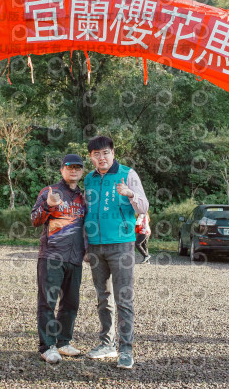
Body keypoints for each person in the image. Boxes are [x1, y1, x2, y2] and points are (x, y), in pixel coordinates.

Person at [84, 136, 149, 370]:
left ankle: (126, 350)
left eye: (105, 153)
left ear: (113, 153)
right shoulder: (89, 179)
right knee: (103, 297)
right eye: (96, 154)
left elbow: (143, 207)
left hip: (121, 244)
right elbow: (86, 212)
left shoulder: (128, 174)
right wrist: (85, 245)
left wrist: (130, 194)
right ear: (91, 157)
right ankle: (106, 344)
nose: (101, 158)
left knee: (124, 298)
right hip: (95, 246)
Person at [30, 154, 87, 364]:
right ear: (62, 169)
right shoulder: (50, 191)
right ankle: (47, 346)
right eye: (69, 167)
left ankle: (63, 342)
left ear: (82, 171)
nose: (73, 170)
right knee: (47, 302)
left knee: (71, 303)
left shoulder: (84, 197)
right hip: (51, 255)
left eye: (77, 167)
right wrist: (48, 205)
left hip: (75, 257)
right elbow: (34, 219)